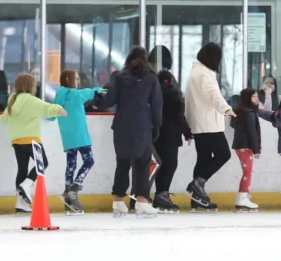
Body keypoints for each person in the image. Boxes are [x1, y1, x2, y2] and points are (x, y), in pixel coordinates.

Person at [98, 46, 162, 217]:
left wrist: (102, 91)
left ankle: (118, 201)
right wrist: (156, 127)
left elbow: (108, 99)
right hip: (142, 126)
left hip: (121, 126)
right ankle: (142, 201)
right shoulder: (151, 78)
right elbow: (157, 105)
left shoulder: (118, 77)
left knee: (122, 163)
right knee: (143, 164)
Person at [1, 73, 66, 214]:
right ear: (30, 86)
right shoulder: (30, 100)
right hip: (31, 139)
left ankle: (20, 204)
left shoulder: (12, 99)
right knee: (42, 163)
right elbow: (46, 108)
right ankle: (26, 185)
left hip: (17, 140)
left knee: (22, 169)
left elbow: (5, 118)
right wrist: (60, 110)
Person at [184, 43, 236, 211]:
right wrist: (227, 109)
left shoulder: (196, 72)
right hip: (208, 124)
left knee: (204, 159)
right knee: (223, 154)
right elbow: (213, 95)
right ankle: (198, 184)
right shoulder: (204, 74)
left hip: (199, 124)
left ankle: (197, 199)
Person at [49, 69, 102, 214]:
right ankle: (74, 187)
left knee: (71, 164)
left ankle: (68, 199)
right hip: (80, 135)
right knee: (89, 161)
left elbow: (51, 115)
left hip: (68, 136)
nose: (78, 82)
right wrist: (98, 90)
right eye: (76, 79)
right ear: (68, 80)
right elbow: (85, 93)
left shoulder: (60, 95)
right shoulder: (73, 94)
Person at [152, 70, 193, 213]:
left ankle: (147, 196)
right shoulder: (173, 93)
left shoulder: (152, 92)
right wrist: (187, 133)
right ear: (168, 80)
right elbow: (180, 116)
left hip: (155, 134)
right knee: (170, 165)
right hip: (170, 135)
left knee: (157, 166)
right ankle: (162, 194)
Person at [230, 88, 264, 211]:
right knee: (248, 172)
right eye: (254, 96)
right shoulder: (249, 113)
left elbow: (233, 125)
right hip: (246, 147)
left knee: (247, 172)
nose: (257, 99)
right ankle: (243, 197)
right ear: (247, 98)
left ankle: (242, 197)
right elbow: (252, 133)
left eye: (257, 96)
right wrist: (256, 150)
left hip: (239, 146)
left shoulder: (240, 111)